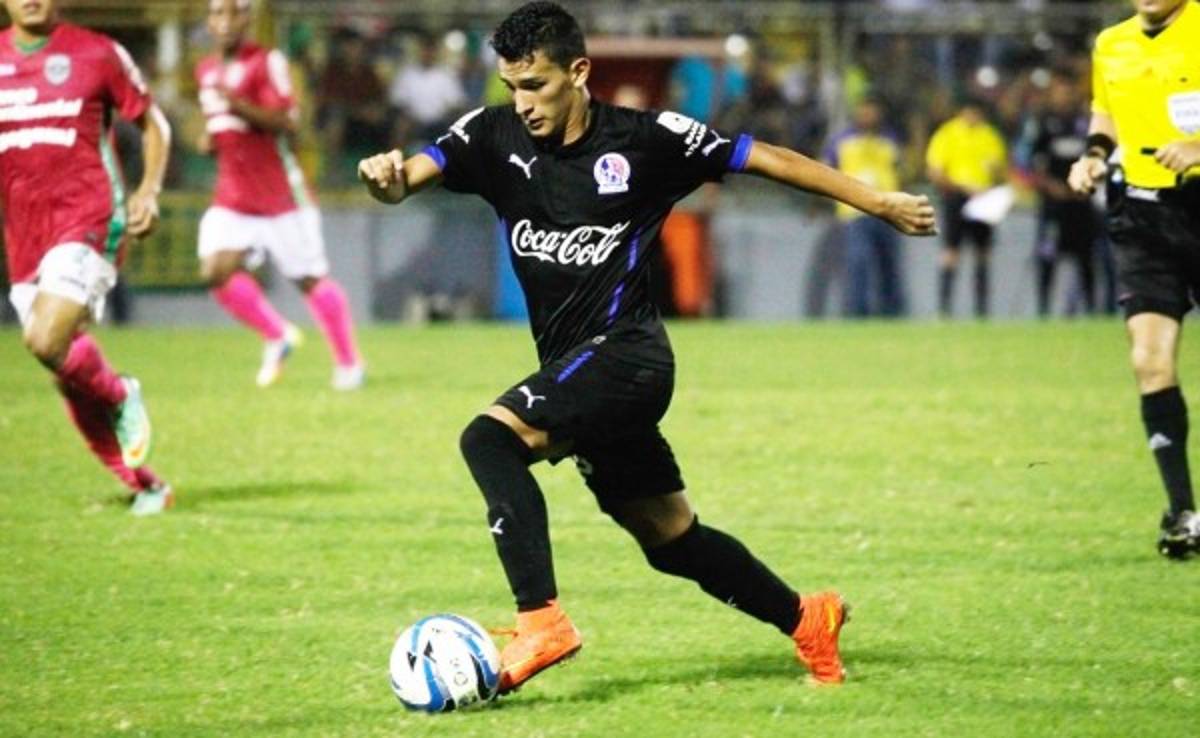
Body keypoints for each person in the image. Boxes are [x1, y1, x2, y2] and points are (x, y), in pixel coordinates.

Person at [359, 1, 935, 693]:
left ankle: (541, 621)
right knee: (669, 538)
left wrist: (879, 202)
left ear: (578, 71)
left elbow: (764, 157)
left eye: (536, 85)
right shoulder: (491, 134)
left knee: (489, 440)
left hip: (628, 356)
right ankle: (807, 618)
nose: (524, 103)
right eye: (512, 87)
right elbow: (408, 177)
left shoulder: (645, 139)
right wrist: (387, 180)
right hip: (577, 369)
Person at [0, 0, 172, 515]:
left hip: (90, 215)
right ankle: (145, 484)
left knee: (45, 340)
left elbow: (153, 124)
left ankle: (121, 394)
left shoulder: (96, 53)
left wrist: (148, 191)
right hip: (24, 234)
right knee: (65, 370)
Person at [1068, 0, 1200, 559]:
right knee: (1149, 360)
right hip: (1143, 217)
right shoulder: (1111, 43)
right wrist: (1092, 156)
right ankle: (1184, 514)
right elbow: (1107, 113)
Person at [197, 0, 364, 390]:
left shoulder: (266, 62)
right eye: (217, 13)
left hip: (280, 195)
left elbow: (289, 121)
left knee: (309, 279)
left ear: (247, 18)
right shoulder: (205, 70)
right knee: (215, 270)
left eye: (233, 13)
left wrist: (236, 105)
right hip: (233, 195)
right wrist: (212, 139)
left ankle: (349, 363)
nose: (225, 22)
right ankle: (277, 334)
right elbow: (222, 126)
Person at [1023, 69, 1100, 317]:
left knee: (1085, 258)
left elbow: (1098, 158)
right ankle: (1044, 310)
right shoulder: (1043, 123)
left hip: (1080, 202)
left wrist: (1088, 182)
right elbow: (1031, 164)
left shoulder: (1085, 123)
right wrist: (1049, 186)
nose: (1065, 96)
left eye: (1069, 91)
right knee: (1048, 256)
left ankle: (1091, 311)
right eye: (1060, 91)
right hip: (1053, 205)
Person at [823, 96, 907, 317]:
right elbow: (824, 170)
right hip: (854, 211)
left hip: (889, 211)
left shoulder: (889, 139)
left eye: (872, 111)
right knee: (858, 261)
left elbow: (901, 170)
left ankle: (892, 314)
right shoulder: (841, 140)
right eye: (864, 111)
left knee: (889, 264)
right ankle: (857, 313)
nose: (868, 115)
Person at [926, 98, 1007, 318]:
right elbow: (935, 172)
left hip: (984, 199)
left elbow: (1000, 169)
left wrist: (992, 179)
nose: (973, 117)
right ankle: (944, 309)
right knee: (951, 252)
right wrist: (962, 187)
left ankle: (982, 310)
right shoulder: (947, 134)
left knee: (983, 253)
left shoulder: (989, 135)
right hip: (956, 198)